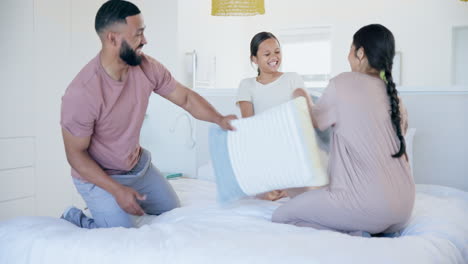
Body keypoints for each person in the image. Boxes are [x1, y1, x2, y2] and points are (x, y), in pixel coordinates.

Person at [60, 0, 236, 229]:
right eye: (138, 34)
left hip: (137, 167)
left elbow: (186, 98)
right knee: (120, 233)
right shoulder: (82, 92)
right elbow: (76, 156)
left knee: (172, 211)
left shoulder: (147, 67)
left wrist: (220, 119)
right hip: (100, 179)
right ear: (113, 38)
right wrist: (116, 190)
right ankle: (76, 218)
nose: (145, 40)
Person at [272, 24, 415, 235]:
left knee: (281, 216)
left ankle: (354, 232)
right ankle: (362, 229)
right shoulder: (397, 99)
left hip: (368, 206)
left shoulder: (343, 83)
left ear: (360, 53)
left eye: (350, 49)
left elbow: (314, 121)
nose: (348, 56)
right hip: (404, 208)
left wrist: (301, 95)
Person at [236, 32, 308, 201]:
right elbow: (248, 126)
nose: (274, 57)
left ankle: (288, 185)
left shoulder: (292, 78)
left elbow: (302, 117)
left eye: (277, 51)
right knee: (262, 192)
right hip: (263, 148)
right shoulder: (247, 85)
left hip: (289, 147)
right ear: (254, 59)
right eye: (267, 54)